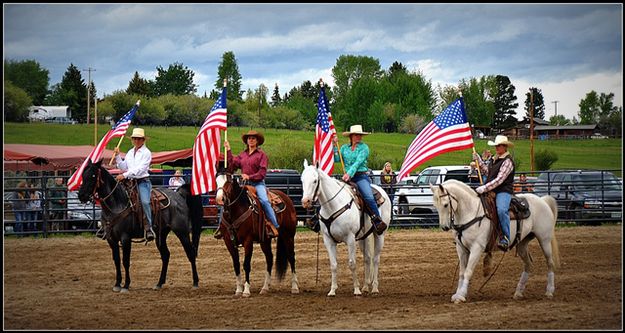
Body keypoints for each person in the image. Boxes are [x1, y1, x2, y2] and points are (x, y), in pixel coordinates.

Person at [221, 129, 279, 239]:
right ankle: (223, 227)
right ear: (246, 141)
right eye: (249, 138)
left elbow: (262, 173)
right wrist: (228, 150)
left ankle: (274, 225)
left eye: (253, 138)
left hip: (258, 184)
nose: (251, 140)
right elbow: (232, 165)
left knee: (264, 201)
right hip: (244, 185)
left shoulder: (262, 155)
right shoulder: (242, 155)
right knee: (228, 199)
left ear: (257, 141)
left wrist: (250, 176)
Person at [333, 124, 387, 235]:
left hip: (360, 176)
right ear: (351, 136)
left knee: (368, 196)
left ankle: (377, 220)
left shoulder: (364, 148)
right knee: (333, 193)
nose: (358, 137)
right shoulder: (343, 148)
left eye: (360, 135)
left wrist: (349, 173)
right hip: (347, 177)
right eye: (356, 135)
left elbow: (358, 163)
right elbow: (337, 158)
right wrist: (334, 145)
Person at [474, 135, 515, 251]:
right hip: (491, 190)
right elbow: (488, 171)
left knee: (502, 210)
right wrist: (479, 160)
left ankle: (505, 237)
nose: (497, 147)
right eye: (496, 145)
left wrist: (484, 188)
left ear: (505, 147)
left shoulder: (508, 162)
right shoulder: (494, 159)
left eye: (499, 145)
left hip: (503, 191)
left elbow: (500, 180)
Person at [114, 128, 155, 242]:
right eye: (134, 139)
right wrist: (117, 156)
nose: (136, 141)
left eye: (139, 139)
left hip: (142, 181)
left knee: (145, 202)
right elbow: (123, 167)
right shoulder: (130, 152)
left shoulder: (146, 153)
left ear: (143, 140)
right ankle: (111, 225)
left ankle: (148, 227)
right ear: (132, 140)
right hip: (129, 181)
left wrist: (125, 175)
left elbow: (141, 169)